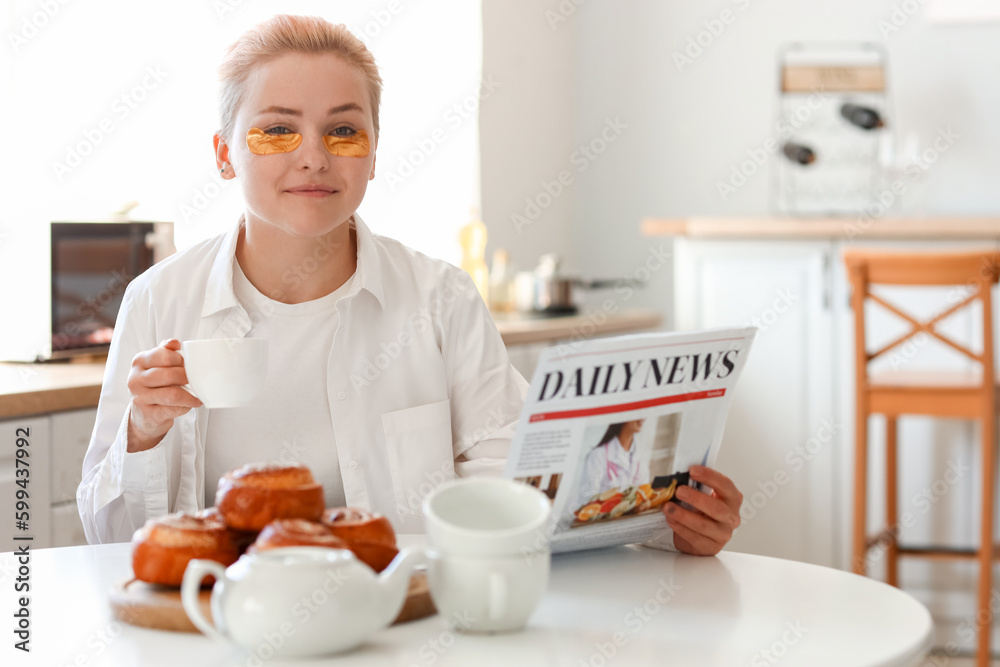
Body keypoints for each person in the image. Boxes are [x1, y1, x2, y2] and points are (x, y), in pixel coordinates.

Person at [75, 14, 742, 557]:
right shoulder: (160, 301)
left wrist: (665, 525)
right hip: (217, 630)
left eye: (344, 129)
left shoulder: (441, 301)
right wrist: (144, 430)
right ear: (224, 153)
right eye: (277, 129)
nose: (314, 154)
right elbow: (106, 540)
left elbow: (514, 502)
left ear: (372, 150)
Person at [575, 420, 649, 508]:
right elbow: (586, 500)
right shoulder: (598, 455)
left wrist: (644, 503)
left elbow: (644, 490)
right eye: (638, 412)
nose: (643, 419)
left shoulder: (641, 452)